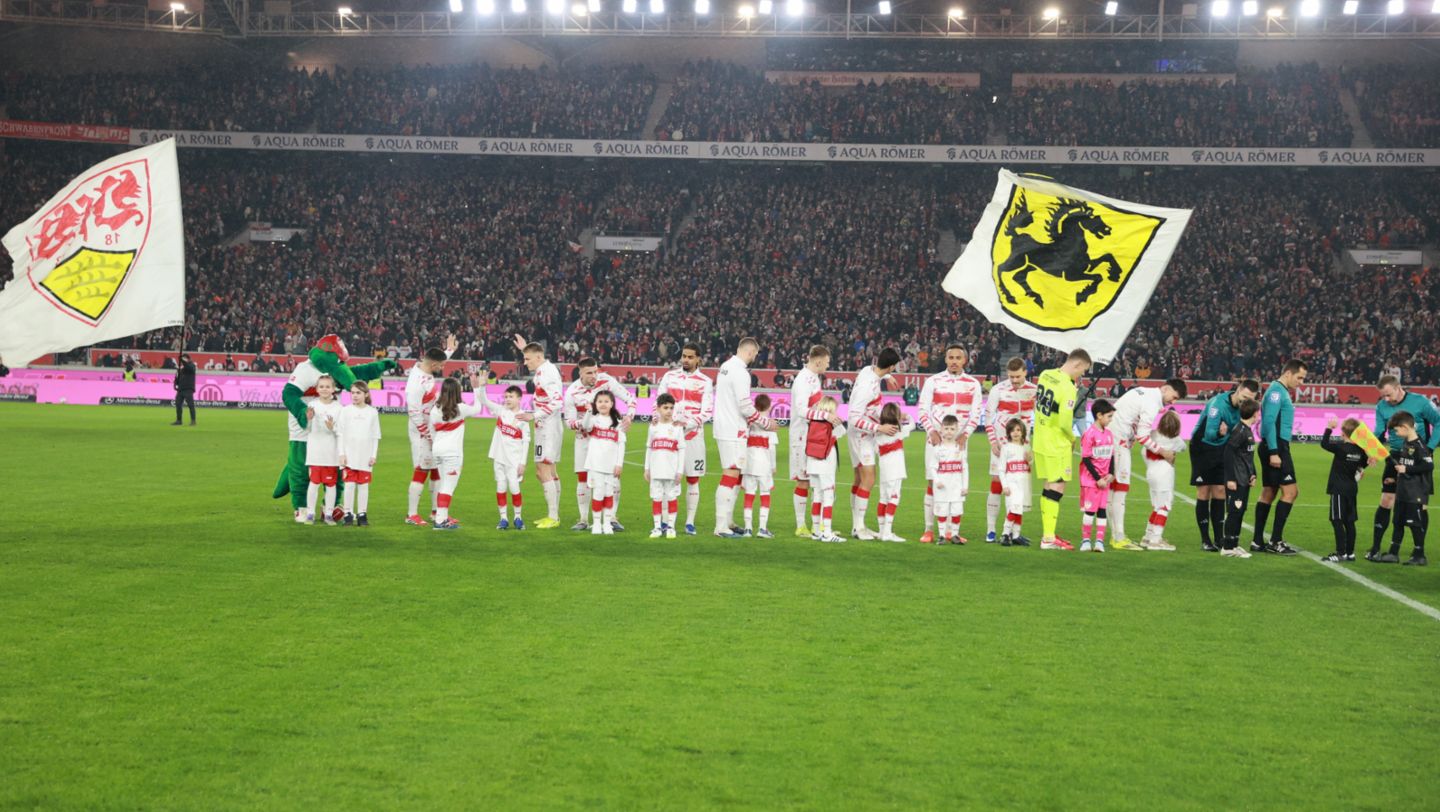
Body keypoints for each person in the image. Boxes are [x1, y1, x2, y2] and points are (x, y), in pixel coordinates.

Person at [1105, 378, 1186, 550]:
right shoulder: (1152, 402)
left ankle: (1116, 535)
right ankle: (1118, 537)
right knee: (1119, 490)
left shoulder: (1143, 391)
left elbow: (1122, 412)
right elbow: (1143, 436)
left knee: (1114, 490)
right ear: (1165, 388)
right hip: (1118, 443)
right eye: (1174, 396)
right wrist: (1163, 451)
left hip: (1113, 439)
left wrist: (1130, 435)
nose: (1174, 401)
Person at [916, 345, 983, 544]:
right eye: (951, 357)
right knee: (932, 481)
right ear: (945, 360)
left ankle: (952, 532)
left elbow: (977, 412)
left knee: (956, 483)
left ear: (965, 360)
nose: (954, 361)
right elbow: (923, 409)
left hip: (959, 442)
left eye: (958, 358)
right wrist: (931, 431)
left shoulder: (972, 384)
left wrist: (967, 434)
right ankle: (929, 529)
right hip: (936, 440)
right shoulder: (933, 381)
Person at [713, 338, 777, 538]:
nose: (755, 358)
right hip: (734, 430)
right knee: (730, 475)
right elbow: (745, 406)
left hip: (724, 427)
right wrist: (766, 423)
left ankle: (728, 522)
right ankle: (721, 526)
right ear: (750, 352)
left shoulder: (725, 366)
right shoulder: (741, 372)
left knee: (734, 475)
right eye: (755, 355)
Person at [564, 358, 636, 532]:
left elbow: (630, 398)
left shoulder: (607, 381)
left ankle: (611, 518)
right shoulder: (572, 392)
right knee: (583, 478)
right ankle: (583, 519)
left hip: (607, 439)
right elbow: (569, 422)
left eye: (596, 371)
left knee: (613, 477)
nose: (594, 376)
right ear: (580, 373)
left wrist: (629, 416)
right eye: (589, 373)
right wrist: (584, 424)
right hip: (584, 439)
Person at [1372, 375, 1440, 558]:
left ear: (1398, 387)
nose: (1386, 399)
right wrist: (1370, 449)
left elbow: (1439, 422)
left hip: (1418, 456)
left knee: (1420, 505)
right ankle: (1376, 548)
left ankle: (1419, 552)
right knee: (1387, 500)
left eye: (1388, 394)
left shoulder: (1421, 402)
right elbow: (1378, 432)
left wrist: (1431, 447)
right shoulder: (1381, 406)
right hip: (1394, 456)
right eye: (1383, 395)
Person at [1189, 380, 1261, 552]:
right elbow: (1209, 434)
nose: (1245, 402)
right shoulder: (1218, 405)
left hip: (1223, 448)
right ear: (1238, 390)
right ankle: (1206, 539)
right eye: (1244, 397)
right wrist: (1222, 432)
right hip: (1203, 447)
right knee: (1204, 491)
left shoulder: (1242, 409)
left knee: (1220, 491)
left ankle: (1220, 538)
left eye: (1249, 399)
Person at [1035, 349, 1093, 551]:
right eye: (1083, 370)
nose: (1082, 375)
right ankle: (1048, 539)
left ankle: (1048, 534)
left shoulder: (1045, 374)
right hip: (1057, 443)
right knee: (1058, 486)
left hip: (1040, 440)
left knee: (1049, 484)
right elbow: (1064, 422)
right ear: (1077, 365)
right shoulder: (1068, 388)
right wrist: (1072, 438)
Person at [657, 344, 714, 535]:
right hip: (670, 436)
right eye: (684, 356)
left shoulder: (705, 381)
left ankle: (690, 522)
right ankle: (664, 521)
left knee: (693, 478)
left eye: (690, 357)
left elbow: (706, 411)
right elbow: (658, 403)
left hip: (693, 436)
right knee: (667, 478)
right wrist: (663, 423)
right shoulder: (669, 377)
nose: (686, 360)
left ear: (698, 359)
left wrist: (687, 423)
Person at [847, 347, 903, 540]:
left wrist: (887, 377)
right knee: (869, 480)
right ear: (892, 366)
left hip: (859, 436)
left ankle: (857, 526)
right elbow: (853, 417)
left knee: (859, 479)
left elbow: (872, 368)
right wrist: (879, 428)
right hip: (862, 437)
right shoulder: (867, 388)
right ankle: (860, 526)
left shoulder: (868, 372)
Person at [1253, 360, 1307, 555]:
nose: (1301, 382)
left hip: (1273, 445)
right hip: (1276, 447)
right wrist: (1275, 451)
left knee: (1269, 492)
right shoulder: (1277, 392)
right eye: (1299, 377)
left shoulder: (1279, 391)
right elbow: (1268, 422)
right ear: (1288, 374)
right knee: (1291, 492)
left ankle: (1258, 541)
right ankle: (1276, 541)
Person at [405, 337, 458, 526]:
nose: (443, 368)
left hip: (431, 431)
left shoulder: (424, 367)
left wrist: (449, 350)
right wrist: (426, 434)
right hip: (422, 433)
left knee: (436, 471)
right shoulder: (416, 384)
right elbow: (413, 412)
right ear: (434, 364)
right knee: (421, 470)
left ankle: (436, 512)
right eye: (441, 365)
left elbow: (436, 358)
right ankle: (411, 514)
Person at [984, 356, 1036, 544]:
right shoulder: (998, 390)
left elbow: (1036, 420)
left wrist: (1030, 446)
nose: (1014, 381)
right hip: (1001, 443)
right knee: (997, 483)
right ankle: (990, 530)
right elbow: (988, 418)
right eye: (1011, 377)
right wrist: (993, 442)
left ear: (1025, 372)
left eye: (1018, 377)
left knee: (1018, 487)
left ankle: (1014, 532)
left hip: (1022, 446)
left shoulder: (1034, 390)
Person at [514, 335, 564, 529]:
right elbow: (535, 354)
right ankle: (554, 515)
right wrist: (525, 348)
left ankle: (553, 516)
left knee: (542, 470)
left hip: (547, 427)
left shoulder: (547, 373)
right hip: (547, 426)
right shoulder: (544, 368)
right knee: (549, 470)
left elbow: (557, 401)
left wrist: (534, 415)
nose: (525, 363)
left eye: (527, 359)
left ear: (538, 357)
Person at [1372, 411, 1432, 565]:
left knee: (1414, 524)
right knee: (1397, 522)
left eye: (1397, 430)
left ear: (1405, 427)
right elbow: (1407, 465)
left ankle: (1419, 555)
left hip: (1414, 493)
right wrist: (1394, 479)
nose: (1396, 433)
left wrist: (1406, 470)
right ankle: (1393, 553)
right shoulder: (1406, 444)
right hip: (1402, 491)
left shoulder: (1420, 446)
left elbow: (1428, 465)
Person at [473, 378, 532, 531]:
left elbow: (526, 441)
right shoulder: (501, 411)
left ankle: (518, 517)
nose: (507, 399)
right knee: (500, 486)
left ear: (519, 398)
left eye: (510, 396)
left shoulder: (523, 417)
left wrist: (523, 463)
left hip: (514, 459)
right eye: (506, 397)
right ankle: (503, 518)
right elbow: (484, 400)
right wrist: (482, 386)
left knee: (514, 487)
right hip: (499, 457)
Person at [429, 377, 484, 531]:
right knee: (448, 486)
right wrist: (476, 388)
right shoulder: (460, 408)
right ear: (457, 391)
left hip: (438, 449)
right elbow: (478, 408)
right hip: (452, 452)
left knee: (443, 484)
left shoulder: (435, 409)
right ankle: (440, 521)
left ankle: (443, 517)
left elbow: (432, 430)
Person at [787, 345, 830, 538]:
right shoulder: (804, 380)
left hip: (812, 435)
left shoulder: (813, 379)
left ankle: (817, 525)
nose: (828, 366)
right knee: (803, 480)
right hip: (801, 436)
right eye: (827, 362)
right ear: (818, 361)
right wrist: (824, 416)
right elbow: (802, 409)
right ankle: (800, 525)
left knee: (814, 480)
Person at [1321, 418, 1369, 563]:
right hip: (1351, 489)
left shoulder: (1341, 448)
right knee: (1349, 521)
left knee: (1336, 519)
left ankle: (1341, 553)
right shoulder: (1360, 451)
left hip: (1338, 489)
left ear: (1343, 433)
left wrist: (1329, 428)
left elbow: (1324, 443)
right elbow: (1363, 465)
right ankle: (1350, 553)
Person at [1139, 411, 1186, 551]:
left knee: (1157, 506)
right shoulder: (1176, 440)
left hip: (1151, 472)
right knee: (1164, 506)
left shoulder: (1152, 435)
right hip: (1164, 474)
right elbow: (1184, 447)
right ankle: (1156, 539)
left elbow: (1143, 451)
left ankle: (1147, 536)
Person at [1221, 399, 1262, 559]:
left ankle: (1234, 544)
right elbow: (1228, 453)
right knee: (1234, 512)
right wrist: (1230, 478)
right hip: (1236, 480)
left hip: (1244, 478)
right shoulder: (1239, 431)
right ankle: (1227, 547)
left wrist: (1253, 473)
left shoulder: (1247, 430)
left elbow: (1247, 457)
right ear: (1254, 413)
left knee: (1240, 511)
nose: (1259, 414)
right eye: (1258, 411)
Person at [583, 390, 627, 536]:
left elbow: (621, 444)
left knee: (609, 494)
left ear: (612, 404)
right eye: (600, 401)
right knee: (598, 492)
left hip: (611, 465)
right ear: (595, 404)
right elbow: (585, 426)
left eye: (606, 401)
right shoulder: (593, 419)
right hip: (595, 464)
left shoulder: (618, 423)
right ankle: (596, 523)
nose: (603, 404)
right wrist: (588, 411)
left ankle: (606, 523)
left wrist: (619, 464)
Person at [337, 381, 381, 527]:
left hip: (365, 455)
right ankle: (348, 514)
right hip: (349, 455)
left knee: (363, 486)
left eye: (358, 393)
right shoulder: (346, 410)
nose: (355, 396)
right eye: (353, 392)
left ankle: (362, 514)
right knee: (349, 485)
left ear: (366, 394)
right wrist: (341, 453)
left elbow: (375, 435)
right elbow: (340, 433)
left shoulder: (372, 412)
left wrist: (373, 455)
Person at [303, 375, 343, 526]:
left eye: (328, 387)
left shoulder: (339, 408)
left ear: (333, 389)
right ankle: (310, 513)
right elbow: (307, 429)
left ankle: (328, 514)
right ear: (317, 389)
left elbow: (341, 431)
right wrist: (308, 419)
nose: (324, 389)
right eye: (321, 387)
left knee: (331, 485)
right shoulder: (312, 405)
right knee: (313, 483)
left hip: (331, 452)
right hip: (315, 452)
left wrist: (333, 428)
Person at [644, 393, 685, 539]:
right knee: (656, 498)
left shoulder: (677, 428)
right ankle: (657, 527)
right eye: (665, 407)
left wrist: (680, 471)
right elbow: (649, 447)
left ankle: (671, 527)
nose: (669, 410)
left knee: (671, 497)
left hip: (671, 471)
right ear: (658, 409)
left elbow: (681, 450)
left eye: (671, 408)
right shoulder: (653, 427)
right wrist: (646, 468)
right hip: (656, 470)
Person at [805, 396, 846, 543]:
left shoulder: (812, 420)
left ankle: (816, 531)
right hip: (826, 460)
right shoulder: (833, 423)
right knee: (828, 496)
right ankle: (827, 532)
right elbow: (842, 433)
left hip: (812, 461)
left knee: (816, 496)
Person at [1079, 399, 1117, 553]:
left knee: (1102, 510)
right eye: (1109, 416)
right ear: (1099, 415)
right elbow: (1086, 459)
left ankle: (1099, 541)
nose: (1110, 420)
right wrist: (1097, 479)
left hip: (1104, 480)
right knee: (1090, 511)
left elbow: (1111, 455)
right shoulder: (1089, 434)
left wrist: (1111, 473)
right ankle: (1086, 540)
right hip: (1091, 480)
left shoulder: (1108, 434)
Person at [874, 402, 915, 543]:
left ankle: (881, 531)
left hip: (884, 471)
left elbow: (875, 449)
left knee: (883, 499)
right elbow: (913, 424)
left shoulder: (877, 435)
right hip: (896, 471)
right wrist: (907, 415)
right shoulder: (899, 432)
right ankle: (887, 532)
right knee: (894, 498)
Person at [741, 394, 779, 538]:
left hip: (749, 464)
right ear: (769, 406)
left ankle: (747, 528)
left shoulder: (749, 424)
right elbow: (772, 448)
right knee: (765, 495)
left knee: (749, 495)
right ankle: (762, 528)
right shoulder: (770, 425)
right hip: (764, 465)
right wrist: (773, 466)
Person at [927, 415, 968, 545]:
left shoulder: (960, 448)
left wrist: (965, 486)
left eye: (952, 429)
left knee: (957, 510)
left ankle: (955, 534)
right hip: (942, 486)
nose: (949, 432)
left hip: (956, 486)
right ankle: (941, 535)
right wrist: (937, 480)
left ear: (957, 430)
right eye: (946, 428)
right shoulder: (937, 449)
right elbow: (932, 467)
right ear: (941, 430)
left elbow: (965, 468)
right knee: (942, 510)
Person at [999, 419, 1033, 547]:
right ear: (1008, 433)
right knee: (1014, 509)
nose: (1015, 433)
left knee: (1019, 509)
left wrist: (1029, 460)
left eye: (1018, 430)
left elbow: (1030, 464)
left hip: (1024, 484)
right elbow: (1001, 469)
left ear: (1023, 431)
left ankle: (1016, 535)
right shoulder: (1006, 448)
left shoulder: (1026, 447)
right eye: (1012, 430)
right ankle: (1005, 534)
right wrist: (1005, 486)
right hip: (1012, 484)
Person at [172, 352, 196, 426]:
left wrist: (182, 361)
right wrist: (175, 384)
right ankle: (179, 420)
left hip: (188, 388)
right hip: (181, 389)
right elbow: (177, 377)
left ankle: (193, 420)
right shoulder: (181, 368)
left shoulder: (192, 365)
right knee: (178, 404)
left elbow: (189, 368)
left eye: (184, 358)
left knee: (190, 405)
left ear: (187, 359)